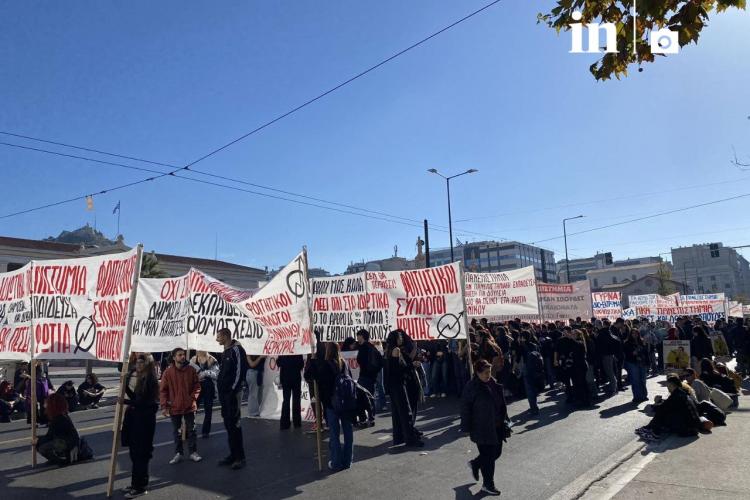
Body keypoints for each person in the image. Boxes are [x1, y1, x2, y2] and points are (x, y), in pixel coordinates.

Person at [461, 359, 507, 497]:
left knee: (495, 454)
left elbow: (500, 404)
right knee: (488, 457)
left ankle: (475, 464)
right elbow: (465, 408)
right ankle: (488, 484)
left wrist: (506, 420)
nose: (488, 375)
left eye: (489, 371)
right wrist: (466, 427)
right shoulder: (472, 387)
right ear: (477, 373)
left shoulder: (493, 383)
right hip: (482, 428)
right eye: (485, 373)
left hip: (497, 426)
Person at [310, 342, 356, 471]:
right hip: (346, 403)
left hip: (332, 403)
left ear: (328, 351)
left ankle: (336, 462)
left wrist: (313, 362)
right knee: (348, 432)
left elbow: (317, 379)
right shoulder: (344, 363)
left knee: (334, 434)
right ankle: (347, 461)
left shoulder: (326, 365)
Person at [122, 354, 159, 499]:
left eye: (141, 363)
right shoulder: (140, 379)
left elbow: (144, 402)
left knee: (141, 455)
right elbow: (134, 398)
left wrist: (125, 402)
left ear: (148, 365)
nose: (138, 366)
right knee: (134, 454)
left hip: (144, 422)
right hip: (135, 421)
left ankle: (140, 486)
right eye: (137, 363)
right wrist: (125, 385)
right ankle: (134, 483)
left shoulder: (150, 380)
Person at [160, 347, 202, 464]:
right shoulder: (168, 372)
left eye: (183, 354)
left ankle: (193, 452)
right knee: (176, 431)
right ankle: (178, 453)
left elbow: (197, 386)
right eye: (179, 355)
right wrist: (164, 406)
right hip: (175, 407)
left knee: (192, 429)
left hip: (189, 406)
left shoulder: (190, 370)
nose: (182, 356)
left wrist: (193, 398)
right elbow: (163, 390)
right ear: (174, 357)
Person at [384, 330, 424, 448]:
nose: (402, 338)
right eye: (400, 336)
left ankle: (399, 437)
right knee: (406, 412)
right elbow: (397, 370)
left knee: (397, 413)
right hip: (398, 384)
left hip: (393, 385)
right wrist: (412, 365)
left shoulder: (389, 350)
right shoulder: (396, 350)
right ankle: (410, 439)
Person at [216, 328, 248, 469]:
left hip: (232, 395)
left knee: (235, 424)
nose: (217, 339)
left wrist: (232, 390)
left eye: (219, 336)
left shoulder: (237, 350)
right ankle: (232, 454)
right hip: (224, 395)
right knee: (228, 425)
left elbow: (240, 371)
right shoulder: (225, 352)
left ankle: (240, 458)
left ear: (226, 336)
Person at [636, 374, 701, 441]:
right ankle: (649, 428)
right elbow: (668, 404)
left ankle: (655, 434)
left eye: (668, 386)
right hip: (693, 426)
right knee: (665, 410)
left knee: (662, 412)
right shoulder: (681, 392)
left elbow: (663, 407)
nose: (667, 388)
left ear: (671, 385)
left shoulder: (677, 395)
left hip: (688, 429)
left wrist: (654, 406)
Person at [34, 393, 83, 466]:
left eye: (47, 402)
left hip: (67, 444)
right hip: (65, 442)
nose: (45, 404)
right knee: (40, 442)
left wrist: (37, 440)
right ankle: (55, 458)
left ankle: (62, 459)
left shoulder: (60, 418)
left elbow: (50, 437)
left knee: (42, 446)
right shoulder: (59, 415)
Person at [355, 329, 382, 425]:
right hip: (371, 376)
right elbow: (380, 361)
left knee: (360, 397)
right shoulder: (372, 347)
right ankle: (371, 417)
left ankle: (363, 418)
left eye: (358, 336)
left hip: (364, 376)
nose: (357, 338)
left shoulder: (364, 347)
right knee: (370, 396)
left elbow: (361, 360)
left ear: (362, 336)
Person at [191, 351, 219, 438]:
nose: (199, 350)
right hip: (196, 386)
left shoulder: (212, 359)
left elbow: (217, 374)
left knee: (208, 409)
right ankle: (190, 429)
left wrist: (206, 373)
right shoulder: (193, 359)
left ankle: (205, 431)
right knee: (193, 408)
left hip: (208, 387)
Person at [277, 354, 305, 429]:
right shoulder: (297, 352)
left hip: (285, 376)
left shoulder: (283, 351)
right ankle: (297, 422)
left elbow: (278, 363)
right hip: (296, 376)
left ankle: (285, 423)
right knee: (296, 399)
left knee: (286, 400)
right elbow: (301, 364)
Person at [623, 328, 650, 404]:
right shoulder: (627, 343)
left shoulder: (642, 341)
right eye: (633, 333)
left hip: (642, 363)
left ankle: (644, 396)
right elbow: (629, 354)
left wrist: (648, 363)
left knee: (643, 380)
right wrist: (634, 352)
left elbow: (646, 353)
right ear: (630, 334)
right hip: (633, 363)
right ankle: (637, 397)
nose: (635, 335)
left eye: (636, 333)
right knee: (635, 380)